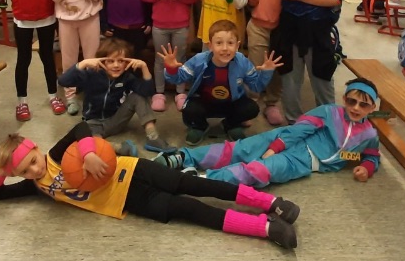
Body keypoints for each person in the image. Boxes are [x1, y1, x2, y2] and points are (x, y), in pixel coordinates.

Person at [0, 121, 299, 249]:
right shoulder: (35, 186)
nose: (34, 169)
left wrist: (88, 154)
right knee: (187, 209)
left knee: (194, 184)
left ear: (35, 148)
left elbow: (81, 127)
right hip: (127, 201)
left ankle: (269, 203)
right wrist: (2, 170)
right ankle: (265, 228)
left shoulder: (56, 154)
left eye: (32, 160)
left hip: (133, 169)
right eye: (24, 171)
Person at [152, 78, 381, 188]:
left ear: (372, 107)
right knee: (240, 149)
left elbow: (371, 156)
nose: (356, 108)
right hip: (286, 138)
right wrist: (275, 147)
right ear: (344, 99)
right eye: (351, 101)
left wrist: (365, 167)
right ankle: (183, 157)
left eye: (363, 104)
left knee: (260, 170)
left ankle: (201, 181)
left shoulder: (370, 134)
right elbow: (299, 130)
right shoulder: (329, 111)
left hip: (302, 161)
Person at [160, 20, 281, 145]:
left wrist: (266, 72)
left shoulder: (242, 62)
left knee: (252, 108)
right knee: (189, 109)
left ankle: (230, 124)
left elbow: (256, 86)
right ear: (210, 46)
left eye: (230, 43)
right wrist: (171, 68)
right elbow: (177, 79)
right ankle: (200, 126)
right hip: (203, 102)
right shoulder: (198, 60)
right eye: (219, 43)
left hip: (231, 103)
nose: (225, 48)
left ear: (237, 46)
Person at [58, 37, 173, 153]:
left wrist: (144, 67)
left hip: (116, 121)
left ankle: (153, 138)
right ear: (102, 61)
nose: (116, 65)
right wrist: (83, 63)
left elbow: (147, 92)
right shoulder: (91, 75)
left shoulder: (127, 77)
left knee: (138, 96)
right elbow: (63, 81)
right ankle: (119, 148)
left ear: (127, 62)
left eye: (121, 61)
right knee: (82, 139)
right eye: (111, 61)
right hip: (92, 123)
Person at [49, 0, 103, 116]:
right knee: (69, 60)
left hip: (89, 19)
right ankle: (70, 96)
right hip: (66, 21)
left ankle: (92, 95)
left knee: (91, 60)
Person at [140, 0, 198, 113]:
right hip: (159, 26)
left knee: (180, 59)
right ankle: (159, 93)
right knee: (160, 60)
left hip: (181, 26)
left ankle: (181, 93)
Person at [245, 0, 291, 125]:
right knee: (255, 66)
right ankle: (250, 101)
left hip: (282, 30)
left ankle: (271, 103)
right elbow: (252, 0)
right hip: (258, 26)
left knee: (277, 68)